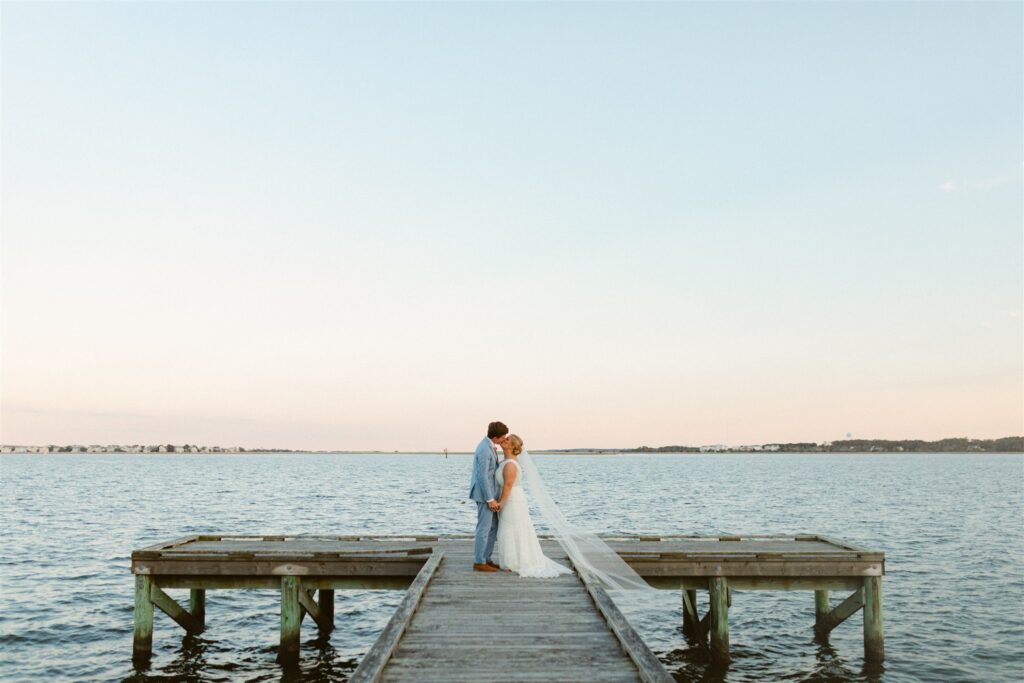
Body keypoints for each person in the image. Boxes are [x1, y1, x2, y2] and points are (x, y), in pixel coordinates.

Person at [493, 434, 572, 578]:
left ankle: (516, 562)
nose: (503, 440)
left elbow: (508, 486)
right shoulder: (506, 461)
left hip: (512, 501)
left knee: (513, 528)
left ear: (512, 446)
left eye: (507, 439)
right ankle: (512, 561)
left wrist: (500, 503)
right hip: (513, 499)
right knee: (510, 528)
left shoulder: (510, 464)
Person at [468, 421, 509, 572]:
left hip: (490, 494)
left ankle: (487, 558)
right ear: (496, 437)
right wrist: (490, 499)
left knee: (493, 527)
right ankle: (479, 561)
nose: (504, 438)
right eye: (503, 436)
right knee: (484, 529)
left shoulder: (488, 445)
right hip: (484, 496)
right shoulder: (484, 449)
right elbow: (482, 477)